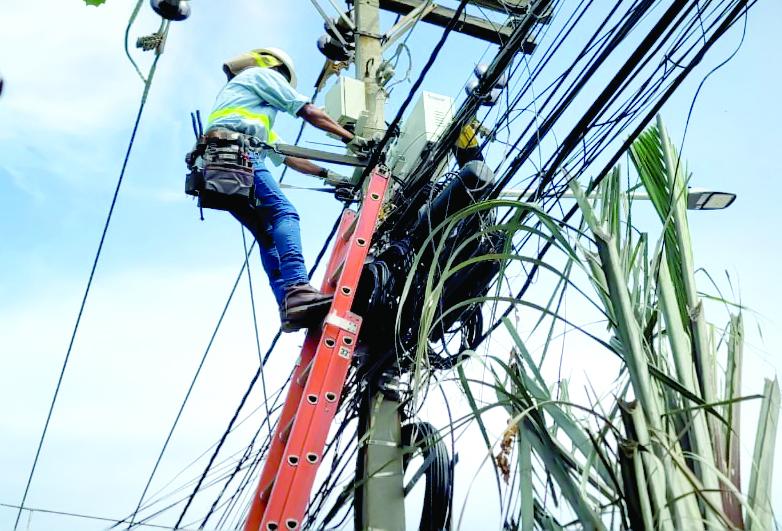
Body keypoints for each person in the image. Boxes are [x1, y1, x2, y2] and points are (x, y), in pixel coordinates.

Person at [203, 47, 371, 332]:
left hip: (216, 163)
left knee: (267, 235)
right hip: (236, 155)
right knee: (285, 214)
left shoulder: (248, 114)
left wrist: (329, 175)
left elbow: (287, 156)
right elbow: (307, 110)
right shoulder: (261, 75)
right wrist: (350, 138)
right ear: (276, 69)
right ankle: (298, 289)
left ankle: (289, 306)